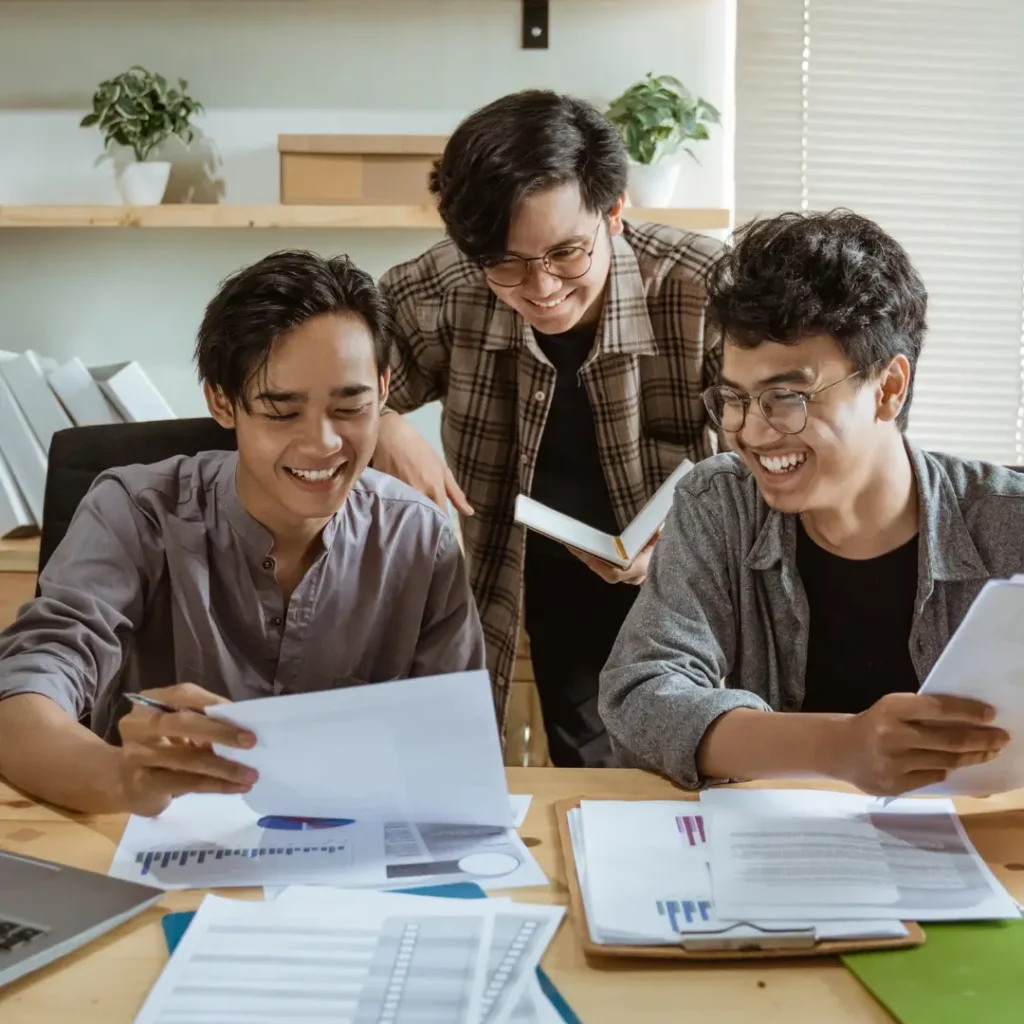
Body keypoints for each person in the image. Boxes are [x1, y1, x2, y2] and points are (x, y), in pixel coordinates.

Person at [0, 250, 484, 816]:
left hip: (356, 860)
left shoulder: (419, 540)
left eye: (350, 406)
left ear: (382, 389)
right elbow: (20, 698)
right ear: (221, 401)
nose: (323, 443)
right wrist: (120, 778)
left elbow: (458, 749)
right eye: (282, 412)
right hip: (154, 851)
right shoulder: (134, 512)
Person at [599, 210, 1019, 797]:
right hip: (785, 854)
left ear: (889, 389)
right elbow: (639, 695)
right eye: (735, 399)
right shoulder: (721, 503)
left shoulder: (1008, 524)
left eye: (787, 397)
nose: (752, 433)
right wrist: (836, 748)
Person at [374, 89, 722, 767]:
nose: (540, 287)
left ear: (616, 211)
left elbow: (771, 463)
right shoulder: (446, 287)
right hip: (533, 572)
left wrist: (683, 544)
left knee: (688, 763)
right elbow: (328, 388)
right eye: (505, 262)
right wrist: (380, 422)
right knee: (583, 767)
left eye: (566, 253)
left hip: (685, 579)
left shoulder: (704, 287)